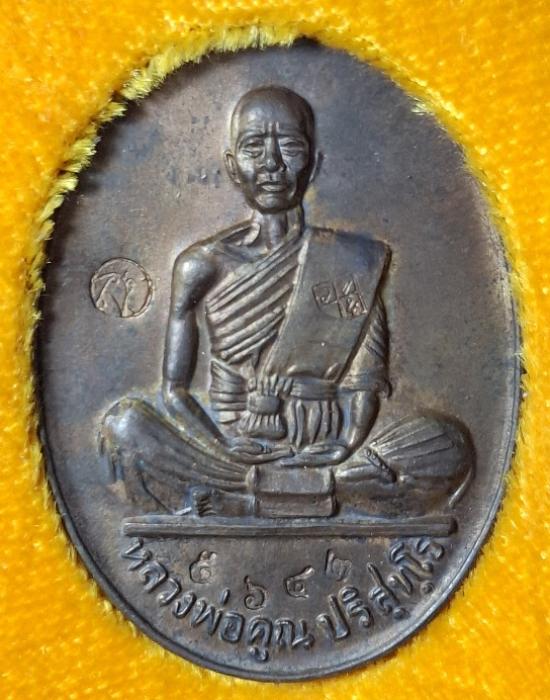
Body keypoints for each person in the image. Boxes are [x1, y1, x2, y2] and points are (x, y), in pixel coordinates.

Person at [101, 86, 473, 517]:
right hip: (227, 453)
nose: (272, 164)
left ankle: (251, 499)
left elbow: (365, 382)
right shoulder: (200, 266)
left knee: (446, 444)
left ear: (313, 165)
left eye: (290, 147)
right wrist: (224, 445)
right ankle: (302, 493)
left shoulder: (351, 261)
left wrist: (347, 444)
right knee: (125, 427)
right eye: (254, 148)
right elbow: (174, 391)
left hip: (324, 452)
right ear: (232, 166)